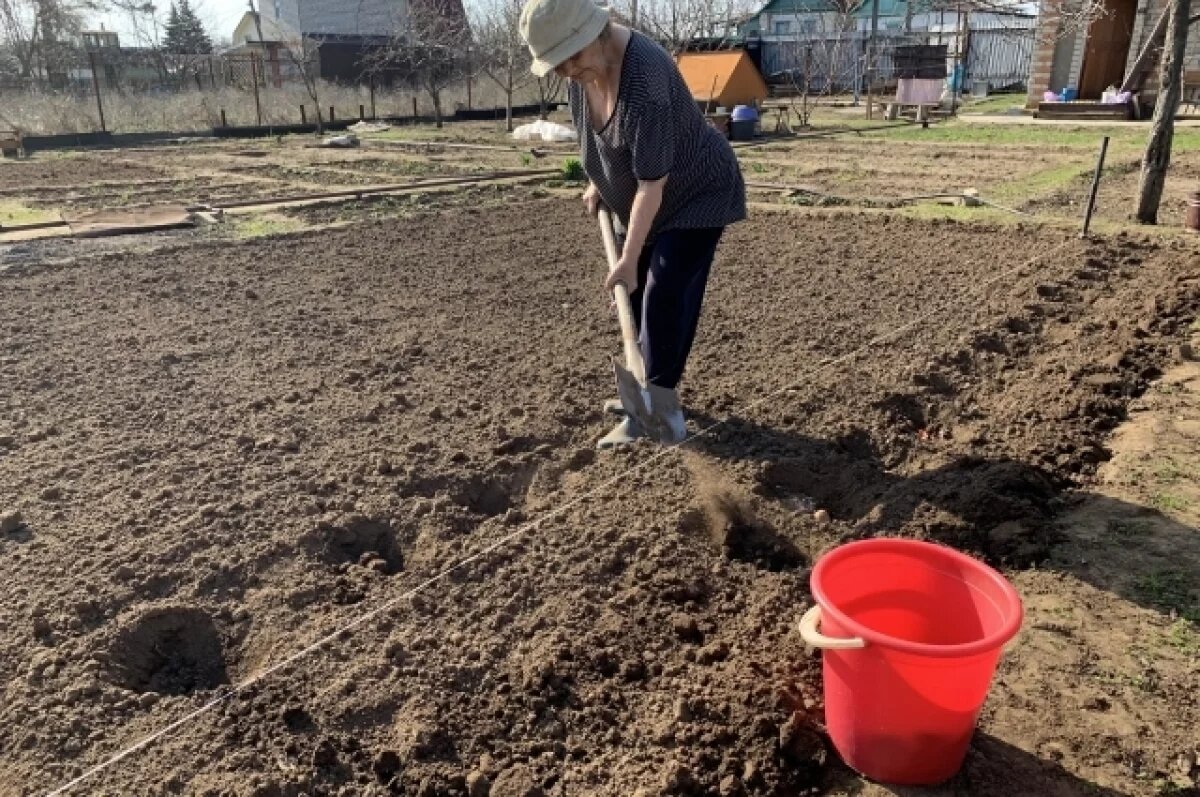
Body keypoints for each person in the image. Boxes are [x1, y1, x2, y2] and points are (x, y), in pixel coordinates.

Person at [519, 0, 746, 449]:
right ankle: (644, 393)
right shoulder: (583, 72)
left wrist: (628, 258)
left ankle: (661, 412)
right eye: (558, 64)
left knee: (663, 291)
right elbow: (600, 138)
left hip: (696, 194)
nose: (568, 71)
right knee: (636, 296)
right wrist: (598, 181)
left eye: (573, 57)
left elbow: (651, 185)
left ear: (596, 33)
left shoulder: (645, 80)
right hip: (647, 199)